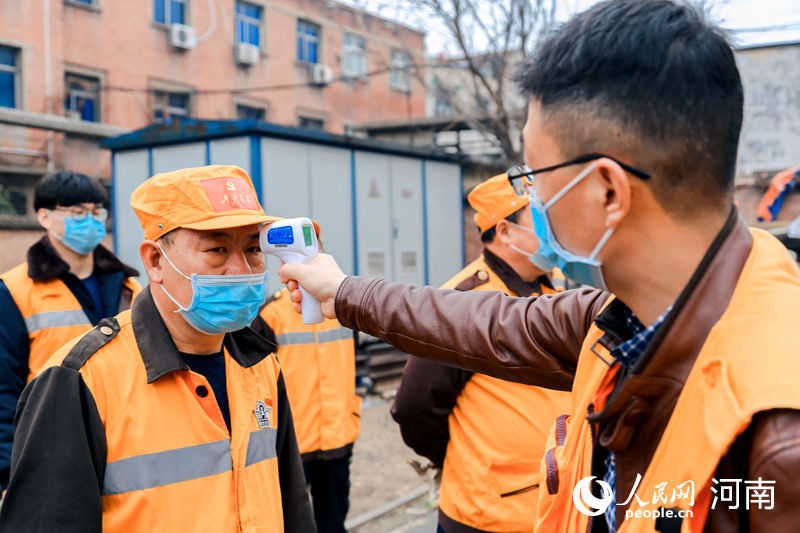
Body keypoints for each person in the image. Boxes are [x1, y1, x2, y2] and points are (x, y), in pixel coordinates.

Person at [278, 1, 800, 531]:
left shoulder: (778, 438)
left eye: (538, 175)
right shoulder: (624, 318)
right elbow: (480, 322)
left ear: (606, 191)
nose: (534, 197)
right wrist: (341, 290)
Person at [0, 165, 315, 532]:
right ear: (154, 262)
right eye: (217, 248)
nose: (240, 269)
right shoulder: (79, 381)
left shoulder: (261, 364)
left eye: (251, 249)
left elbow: (291, 502)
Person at [391, 174, 571, 533]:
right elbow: (414, 409)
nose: (554, 229)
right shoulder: (461, 303)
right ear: (504, 231)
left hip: (556, 509)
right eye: (540, 219)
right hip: (488, 516)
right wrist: (464, 460)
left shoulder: (554, 293)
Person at [0, 170, 141, 492]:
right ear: (45, 217)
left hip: (129, 443)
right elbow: (4, 389)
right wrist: (9, 473)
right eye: (77, 213)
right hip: (50, 450)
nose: (90, 221)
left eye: (96, 212)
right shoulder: (14, 291)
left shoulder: (130, 286)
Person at [253, 230, 360, 533]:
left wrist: (352, 412)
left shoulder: (345, 312)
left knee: (334, 522)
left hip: (338, 435)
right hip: (291, 443)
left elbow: (355, 367)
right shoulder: (270, 315)